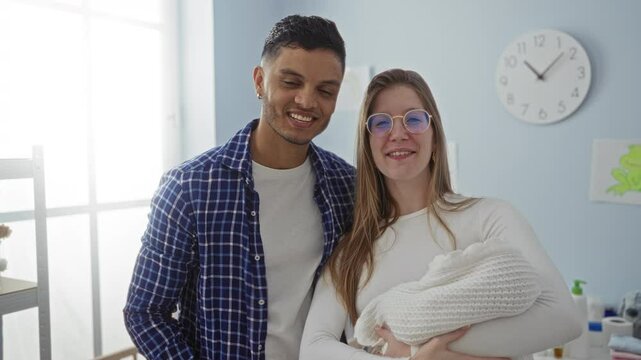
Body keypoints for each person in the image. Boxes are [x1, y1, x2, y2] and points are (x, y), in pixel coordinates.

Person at [300, 69, 582, 360]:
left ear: (435, 140)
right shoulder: (353, 249)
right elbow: (314, 347)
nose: (398, 133)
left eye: (414, 119)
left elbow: (562, 316)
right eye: (382, 123)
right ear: (368, 145)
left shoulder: (490, 217)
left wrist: (414, 350)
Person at [124, 15, 355, 359]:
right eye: (291, 82)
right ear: (260, 81)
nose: (307, 101)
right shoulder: (190, 187)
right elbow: (145, 313)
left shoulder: (347, 187)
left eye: (325, 90)